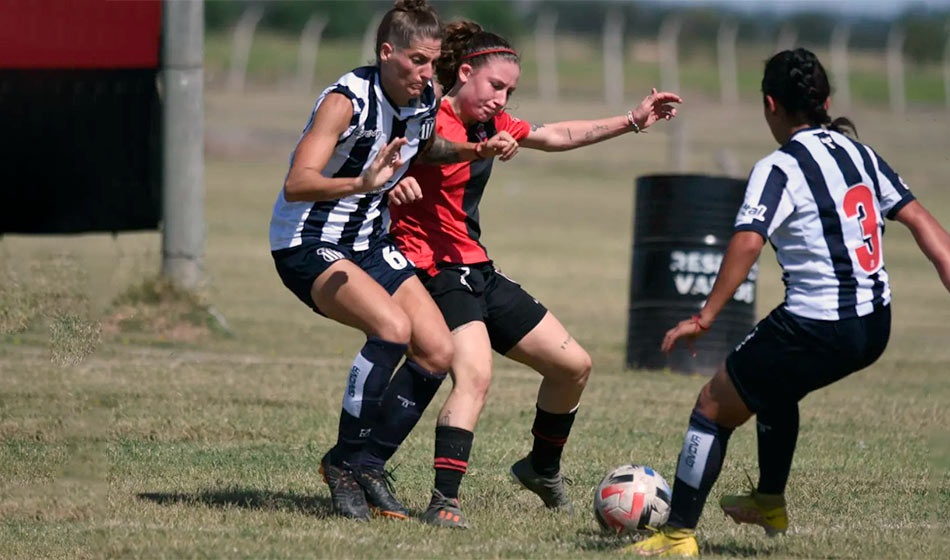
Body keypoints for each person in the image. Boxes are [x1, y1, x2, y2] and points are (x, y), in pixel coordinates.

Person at [628, 48, 950, 557]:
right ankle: (769, 501)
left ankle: (677, 536)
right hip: (875, 326)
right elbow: (924, 223)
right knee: (775, 384)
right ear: (823, 101)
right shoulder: (860, 154)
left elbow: (748, 241)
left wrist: (704, 317)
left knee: (712, 405)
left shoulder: (780, 166)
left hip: (817, 323)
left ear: (770, 104)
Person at [386, 21, 682, 528]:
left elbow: (556, 134)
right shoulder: (425, 116)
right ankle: (444, 502)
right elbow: (422, 149)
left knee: (574, 366)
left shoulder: (488, 126)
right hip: (432, 270)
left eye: (510, 91)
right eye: (495, 86)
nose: (502, 99)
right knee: (475, 375)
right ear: (464, 73)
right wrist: (394, 187)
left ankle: (541, 468)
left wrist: (632, 120)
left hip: (477, 268)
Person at [269, 0, 516, 522]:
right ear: (387, 52)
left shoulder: (423, 97)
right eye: (418, 62)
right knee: (391, 328)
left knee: (437, 350)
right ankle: (344, 465)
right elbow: (297, 183)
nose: (428, 75)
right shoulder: (345, 101)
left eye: (433, 63)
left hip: (369, 241)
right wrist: (363, 184)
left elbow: (426, 149)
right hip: (309, 242)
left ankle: (364, 463)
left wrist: (476, 151)